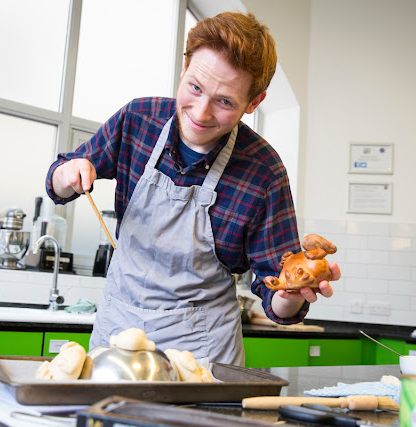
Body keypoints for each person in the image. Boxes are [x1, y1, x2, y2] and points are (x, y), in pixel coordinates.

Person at [45, 11, 340, 366]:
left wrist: (295, 293)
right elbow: (59, 182)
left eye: (225, 101)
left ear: (253, 102)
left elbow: (277, 299)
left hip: (201, 354)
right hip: (116, 339)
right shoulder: (139, 120)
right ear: (184, 68)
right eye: (195, 88)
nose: (201, 112)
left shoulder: (263, 171)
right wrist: (68, 174)